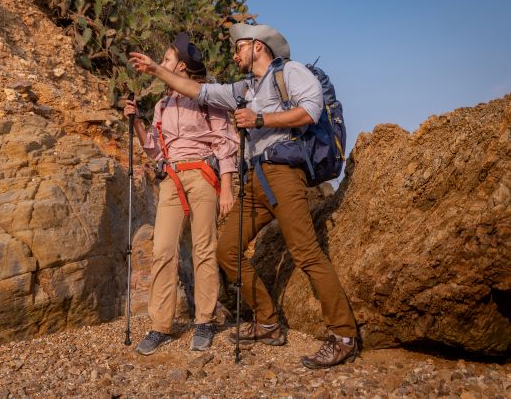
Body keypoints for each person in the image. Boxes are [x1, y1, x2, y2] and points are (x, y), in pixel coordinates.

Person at [129, 24, 359, 368]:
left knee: (306, 253)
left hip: (284, 173)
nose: (234, 54)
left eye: (239, 48)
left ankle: (343, 336)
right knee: (228, 251)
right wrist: (156, 69)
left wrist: (260, 118)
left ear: (257, 45)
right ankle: (267, 321)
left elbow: (309, 111)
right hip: (256, 179)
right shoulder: (244, 88)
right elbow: (198, 90)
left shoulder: (290, 72)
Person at [124, 33, 239, 355]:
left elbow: (225, 142)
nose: (163, 63)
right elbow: (154, 152)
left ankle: (204, 320)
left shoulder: (206, 99)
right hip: (171, 178)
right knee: (162, 249)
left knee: (204, 248)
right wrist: (136, 123)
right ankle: (161, 325)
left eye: (167, 59)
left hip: (203, 175)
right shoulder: (162, 104)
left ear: (183, 67)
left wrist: (227, 186)